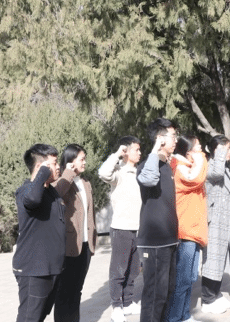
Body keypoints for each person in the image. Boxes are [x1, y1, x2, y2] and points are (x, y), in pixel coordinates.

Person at [12, 144, 65, 322]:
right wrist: (43, 172)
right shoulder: (25, 190)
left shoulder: (51, 192)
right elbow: (33, 199)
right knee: (29, 318)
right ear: (39, 167)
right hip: (33, 269)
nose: (58, 167)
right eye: (53, 163)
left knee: (39, 317)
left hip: (50, 268)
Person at [136, 118, 179, 322]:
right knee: (154, 296)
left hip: (170, 240)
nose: (176, 140)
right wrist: (155, 149)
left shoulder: (167, 166)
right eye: (173, 136)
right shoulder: (147, 166)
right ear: (160, 139)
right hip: (154, 243)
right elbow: (148, 179)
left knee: (167, 293)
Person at [98, 136, 143, 322]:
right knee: (119, 270)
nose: (139, 153)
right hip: (121, 228)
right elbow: (103, 173)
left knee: (133, 269)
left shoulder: (140, 172)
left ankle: (128, 302)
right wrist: (117, 154)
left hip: (138, 228)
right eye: (136, 150)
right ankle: (116, 306)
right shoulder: (118, 172)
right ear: (126, 151)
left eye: (140, 149)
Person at [165, 135, 208, 322]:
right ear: (188, 151)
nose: (201, 150)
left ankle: (184, 315)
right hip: (185, 232)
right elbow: (196, 178)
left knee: (190, 277)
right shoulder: (180, 168)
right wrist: (201, 158)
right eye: (197, 147)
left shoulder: (188, 166)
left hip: (193, 231)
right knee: (182, 279)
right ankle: (174, 317)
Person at [51, 144, 97, 321]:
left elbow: (90, 213)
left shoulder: (85, 183)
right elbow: (55, 194)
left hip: (85, 245)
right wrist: (68, 173)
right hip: (68, 246)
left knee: (77, 289)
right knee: (64, 291)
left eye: (85, 159)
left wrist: (92, 240)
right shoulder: (63, 181)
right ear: (71, 161)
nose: (84, 162)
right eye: (81, 159)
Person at [200, 134, 230, 315]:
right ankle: (207, 300)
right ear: (217, 151)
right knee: (212, 261)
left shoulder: (223, 167)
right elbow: (216, 174)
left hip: (225, 220)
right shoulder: (210, 166)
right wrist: (219, 151)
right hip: (215, 222)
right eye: (227, 149)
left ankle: (216, 295)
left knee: (220, 261)